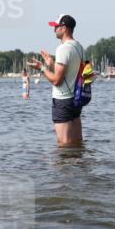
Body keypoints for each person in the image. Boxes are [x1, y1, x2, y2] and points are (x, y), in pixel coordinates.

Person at [27, 14, 84, 147]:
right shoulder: (79, 47)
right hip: (76, 99)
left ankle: (64, 168)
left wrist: (41, 68)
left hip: (63, 101)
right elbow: (70, 74)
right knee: (77, 143)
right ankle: (79, 167)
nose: (54, 30)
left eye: (56, 27)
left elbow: (57, 80)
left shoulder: (63, 48)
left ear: (64, 28)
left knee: (64, 146)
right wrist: (52, 64)